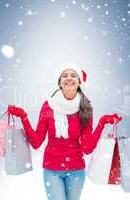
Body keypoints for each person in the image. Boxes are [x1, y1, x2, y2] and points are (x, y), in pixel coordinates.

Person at [7, 64, 122, 200]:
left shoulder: (85, 109)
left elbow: (87, 148)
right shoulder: (48, 106)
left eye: (73, 75)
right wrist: (24, 117)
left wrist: (101, 123)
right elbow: (37, 142)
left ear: (79, 82)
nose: (69, 78)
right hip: (52, 170)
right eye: (65, 75)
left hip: (76, 170)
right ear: (59, 82)